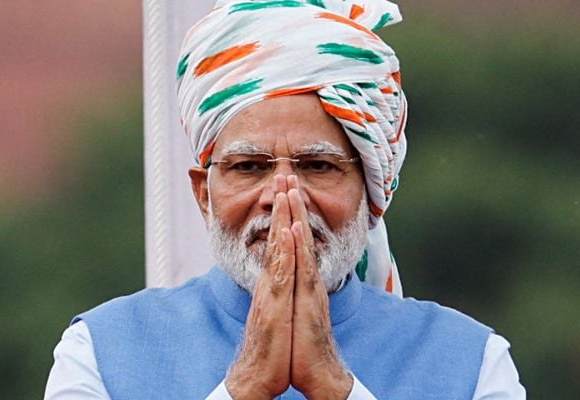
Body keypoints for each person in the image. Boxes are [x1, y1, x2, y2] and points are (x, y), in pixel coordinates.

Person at [45, 1, 526, 398]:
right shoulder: (102, 352)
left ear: (371, 190)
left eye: (318, 167)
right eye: (249, 168)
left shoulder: (470, 362)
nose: (282, 196)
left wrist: (335, 386)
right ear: (203, 194)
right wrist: (247, 384)